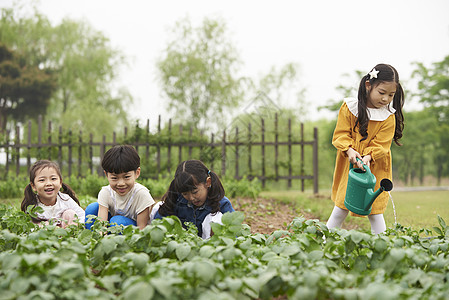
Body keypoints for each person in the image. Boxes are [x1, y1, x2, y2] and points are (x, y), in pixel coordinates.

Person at [326, 63, 405, 234]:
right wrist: (349, 150)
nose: (385, 99)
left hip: (374, 167)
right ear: (368, 86)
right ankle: (326, 244)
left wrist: (368, 157)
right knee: (341, 207)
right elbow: (340, 134)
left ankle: (381, 249)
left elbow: (381, 145)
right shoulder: (350, 108)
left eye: (391, 95)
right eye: (382, 93)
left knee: (374, 211)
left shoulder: (388, 116)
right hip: (350, 165)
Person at [153, 160, 235, 239]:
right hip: (184, 246)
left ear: (208, 182)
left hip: (210, 247)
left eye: (195, 192)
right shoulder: (177, 200)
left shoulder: (222, 203)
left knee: (216, 217)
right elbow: (159, 221)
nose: (191, 198)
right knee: (157, 207)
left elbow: (235, 231)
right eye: (185, 194)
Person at [84, 145, 155, 230]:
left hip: (132, 230)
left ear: (137, 173)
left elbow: (141, 229)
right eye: (114, 178)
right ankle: (92, 238)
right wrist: (101, 237)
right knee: (92, 209)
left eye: (126, 177)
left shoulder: (141, 194)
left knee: (117, 222)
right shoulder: (106, 192)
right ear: (106, 175)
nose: (121, 183)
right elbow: (101, 224)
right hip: (112, 227)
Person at [21, 160, 85, 228]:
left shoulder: (65, 199)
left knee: (70, 213)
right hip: (45, 236)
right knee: (43, 225)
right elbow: (28, 227)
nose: (49, 183)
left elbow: (82, 216)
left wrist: (72, 227)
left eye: (53, 179)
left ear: (60, 182)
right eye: (42, 180)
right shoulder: (33, 206)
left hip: (67, 234)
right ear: (33, 186)